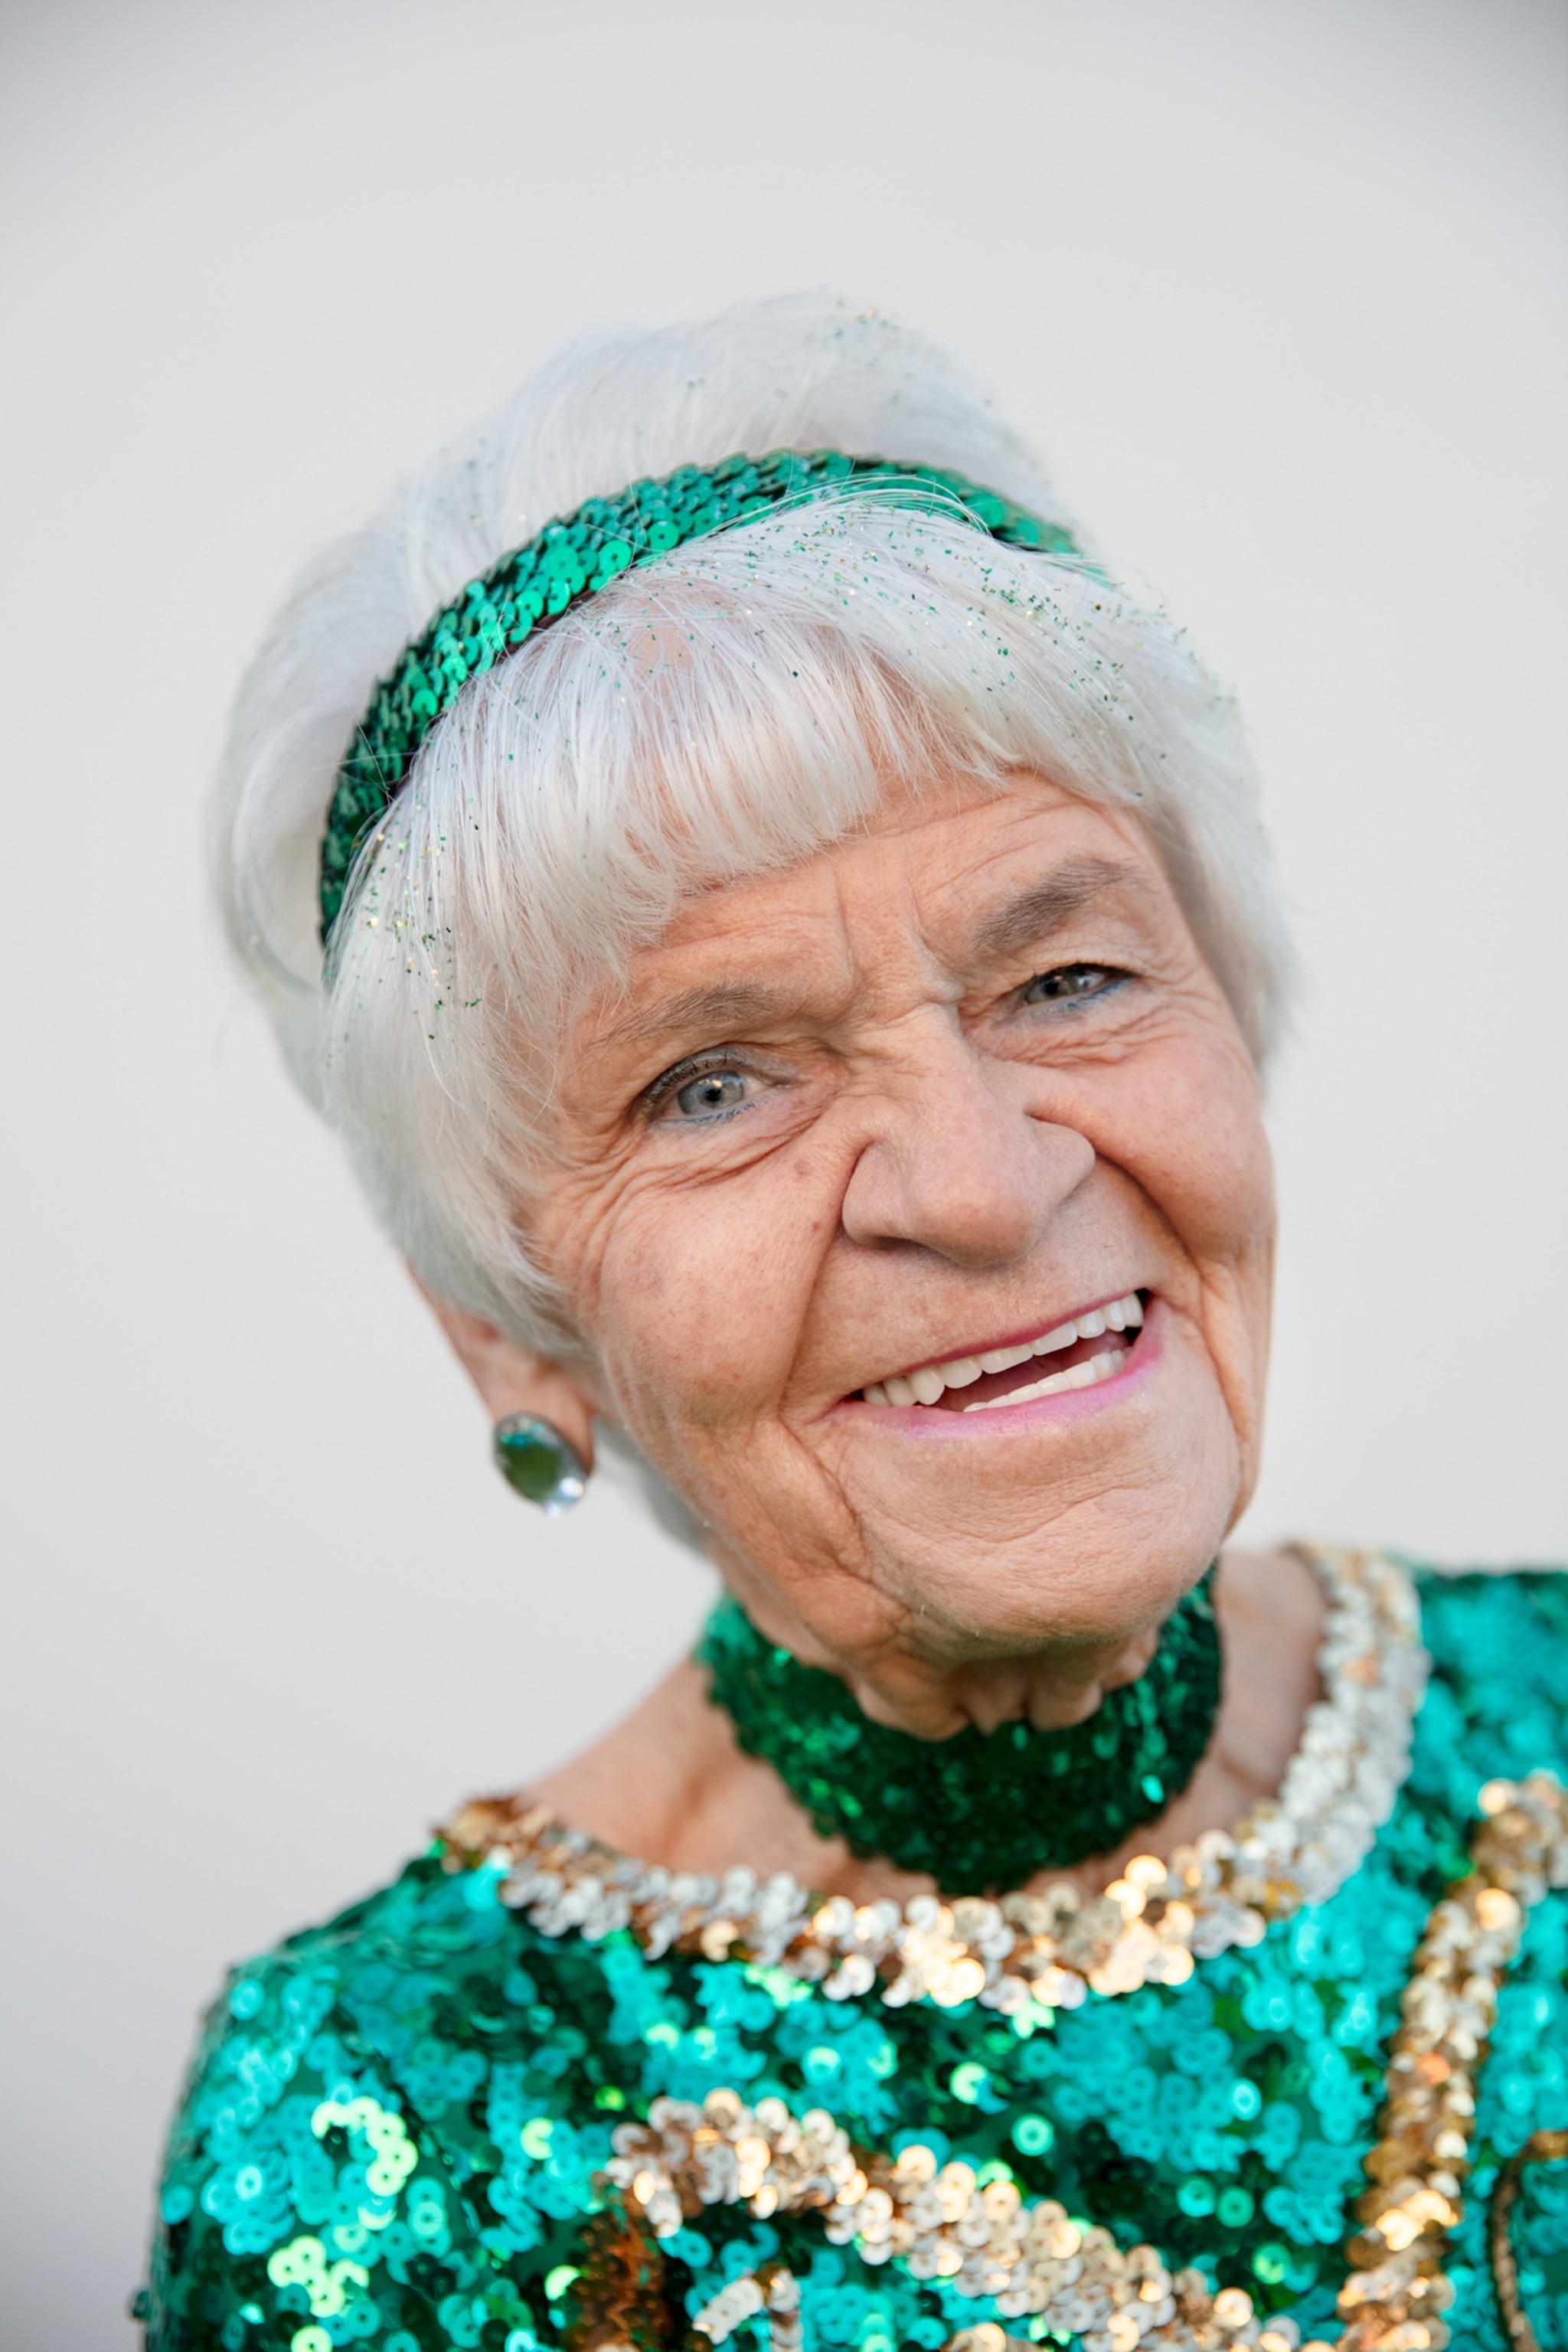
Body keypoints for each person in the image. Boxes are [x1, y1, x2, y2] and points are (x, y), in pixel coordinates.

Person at [139, 297, 1567, 2352]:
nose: (981, 1185)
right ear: (509, 1333)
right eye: (714, 1084)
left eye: (1067, 978)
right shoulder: (408, 2123)